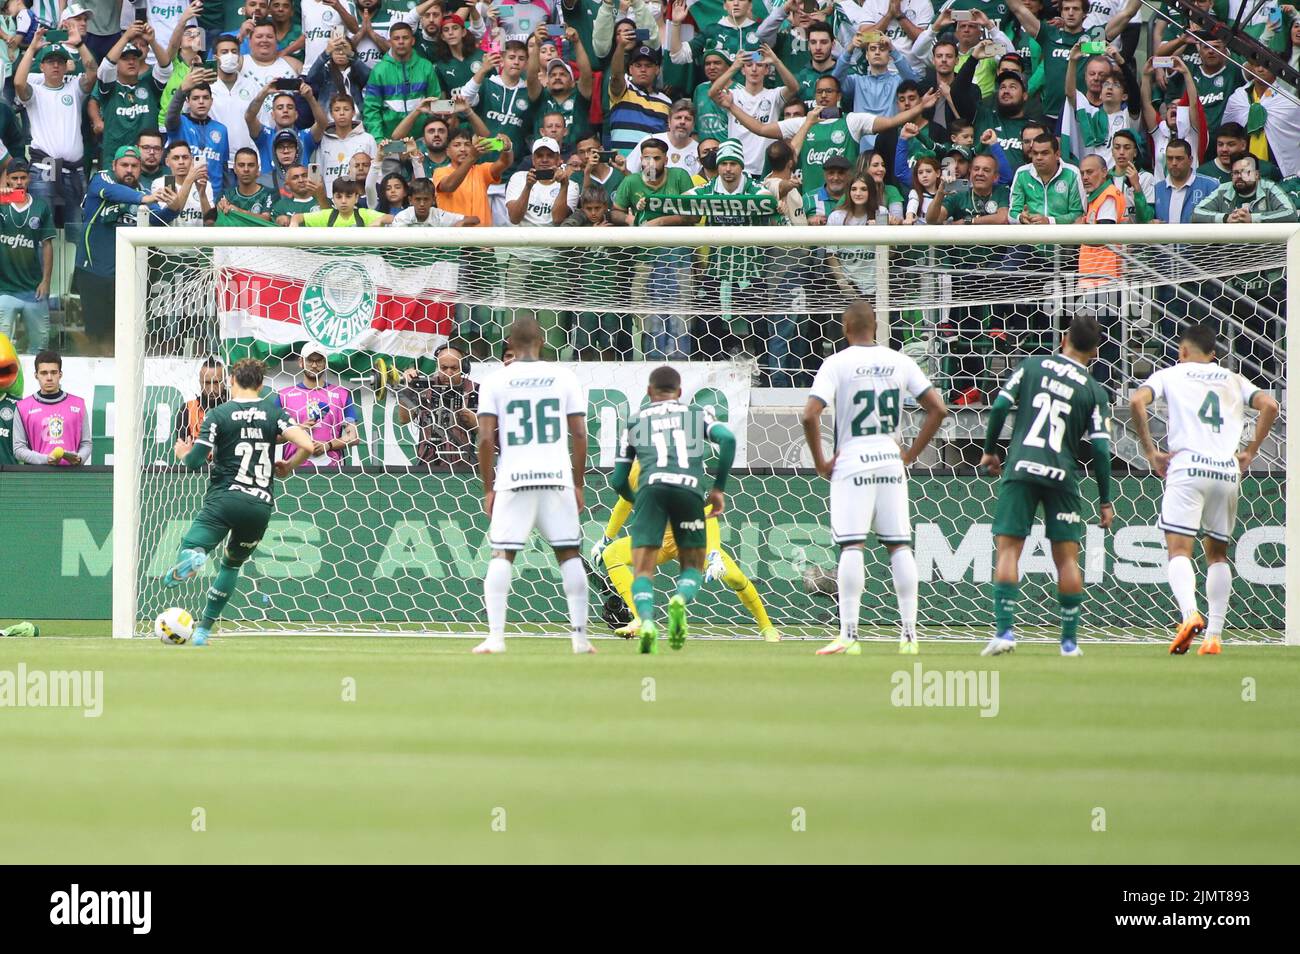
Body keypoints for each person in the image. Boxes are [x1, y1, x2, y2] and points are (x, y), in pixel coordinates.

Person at [799, 301, 947, 655]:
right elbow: (938, 409)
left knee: (852, 545)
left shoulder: (835, 363)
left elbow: (809, 415)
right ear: (876, 328)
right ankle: (909, 636)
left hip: (853, 462)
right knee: (898, 546)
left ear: (845, 328)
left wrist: (821, 461)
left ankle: (849, 635)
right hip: (889, 460)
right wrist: (909, 454)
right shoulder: (901, 361)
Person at [1129, 323, 1279, 657]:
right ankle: (1214, 635)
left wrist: (1151, 450)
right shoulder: (1233, 379)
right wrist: (1251, 450)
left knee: (1179, 550)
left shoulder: (1171, 375)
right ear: (1214, 354)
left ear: (1183, 351)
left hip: (1187, 467)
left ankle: (1188, 614)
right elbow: (1270, 405)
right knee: (1217, 555)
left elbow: (1137, 400)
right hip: (1226, 470)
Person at [978, 315, 1115, 658]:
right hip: (1062, 474)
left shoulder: (1033, 365)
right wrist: (1105, 500)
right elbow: (1100, 447)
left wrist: (990, 449)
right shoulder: (1095, 390)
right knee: (1067, 561)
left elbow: (998, 405)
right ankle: (1069, 642)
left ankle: (1005, 632)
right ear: (1096, 352)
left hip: (1021, 465)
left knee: (1008, 551)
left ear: (1063, 340)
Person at [164, 358, 324, 646]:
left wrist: (182, 452)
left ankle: (193, 558)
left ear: (232, 382)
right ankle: (203, 631)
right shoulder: (274, 412)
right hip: (259, 506)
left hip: (224, 499)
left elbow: (194, 461)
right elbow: (309, 446)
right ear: (261, 384)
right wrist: (288, 466)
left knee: (190, 546)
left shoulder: (218, 414)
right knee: (231, 566)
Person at [473, 317, 591, 655]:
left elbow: (484, 438)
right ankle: (580, 639)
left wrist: (488, 487)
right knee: (569, 554)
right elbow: (580, 434)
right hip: (556, 478)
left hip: (514, 477)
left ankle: (496, 638)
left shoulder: (495, 381)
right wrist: (578, 483)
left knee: (502, 554)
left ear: (510, 343)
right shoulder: (564, 377)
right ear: (542, 341)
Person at [611, 364, 736, 654]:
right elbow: (728, 440)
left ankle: (647, 621)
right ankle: (679, 599)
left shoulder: (634, 421)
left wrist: (635, 498)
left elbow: (618, 480)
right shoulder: (696, 413)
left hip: (651, 491)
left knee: (642, 569)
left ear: (648, 392)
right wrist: (718, 489)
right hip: (689, 490)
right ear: (679, 393)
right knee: (692, 565)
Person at [594, 450, 780, 643]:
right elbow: (624, 502)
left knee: (734, 576)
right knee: (612, 553)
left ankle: (767, 627)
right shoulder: (636, 470)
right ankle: (640, 619)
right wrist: (606, 538)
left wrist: (714, 553)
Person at [74, 146, 178, 354]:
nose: (129, 170)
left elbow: (161, 219)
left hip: (125, 278)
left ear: (140, 169)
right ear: (114, 166)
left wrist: (177, 201)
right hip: (92, 272)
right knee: (96, 336)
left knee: (123, 334)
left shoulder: (141, 194)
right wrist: (146, 199)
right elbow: (114, 192)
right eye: (124, 165)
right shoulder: (102, 179)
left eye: (134, 166)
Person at [15, 28, 98, 226]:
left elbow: (93, 72)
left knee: (77, 230)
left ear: (66, 66)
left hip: (74, 171)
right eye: (50, 61)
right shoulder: (34, 92)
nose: (55, 65)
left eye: (60, 61)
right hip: (44, 169)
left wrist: (79, 44)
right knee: (41, 230)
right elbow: (18, 82)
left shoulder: (74, 88)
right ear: (41, 66)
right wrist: (31, 49)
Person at [0, 162, 55, 352]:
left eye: (23, 178)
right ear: (7, 179)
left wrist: (46, 281)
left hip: (34, 289)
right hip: (4, 289)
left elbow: (47, 245)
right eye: (14, 178)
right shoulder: (1, 203)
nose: (19, 182)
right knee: (1, 349)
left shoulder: (40, 206)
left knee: (39, 348)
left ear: (29, 179)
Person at [277, 343, 360, 469]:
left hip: (332, 469)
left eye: (319, 361)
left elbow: (353, 437)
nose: (314, 365)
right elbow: (272, 438)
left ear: (325, 362)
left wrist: (328, 446)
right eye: (310, 360)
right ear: (301, 362)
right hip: (293, 469)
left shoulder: (341, 394)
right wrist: (296, 430)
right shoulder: (283, 396)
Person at [395, 342, 479, 467]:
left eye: (454, 368)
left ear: (463, 367)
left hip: (463, 465)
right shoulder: (425, 386)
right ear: (437, 367)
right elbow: (403, 419)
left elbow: (485, 431)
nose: (448, 373)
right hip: (427, 463)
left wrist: (467, 416)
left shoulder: (475, 389)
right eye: (444, 368)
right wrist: (409, 388)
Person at [14, 349, 91, 466]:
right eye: (44, 373)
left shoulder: (78, 404)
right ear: (36, 375)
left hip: (72, 477)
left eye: (53, 372)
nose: (49, 378)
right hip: (38, 478)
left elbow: (86, 443)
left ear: (60, 374)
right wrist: (45, 459)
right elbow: (18, 449)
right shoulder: (22, 407)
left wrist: (80, 458)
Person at [291, 176, 392, 225]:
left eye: (348, 196)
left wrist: (380, 220)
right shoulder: (327, 215)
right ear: (333, 198)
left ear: (356, 198)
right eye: (339, 197)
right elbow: (297, 217)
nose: (343, 201)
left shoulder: (364, 214)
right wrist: (294, 224)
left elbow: (392, 218)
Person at [174, 357, 227, 442]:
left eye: (216, 382)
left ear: (225, 382)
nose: (212, 389)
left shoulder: (236, 409)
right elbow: (183, 450)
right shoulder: (188, 409)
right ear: (200, 382)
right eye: (207, 383)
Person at [391, 177, 475, 226]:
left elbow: (475, 219)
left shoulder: (439, 215)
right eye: (418, 199)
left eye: (426, 199)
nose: (422, 204)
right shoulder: (402, 217)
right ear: (410, 200)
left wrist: (461, 222)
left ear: (433, 200)